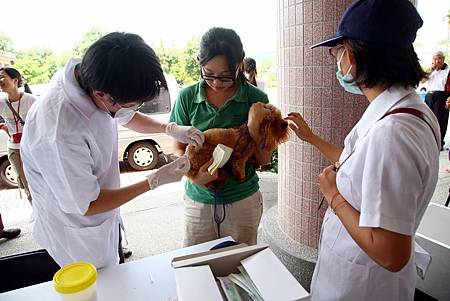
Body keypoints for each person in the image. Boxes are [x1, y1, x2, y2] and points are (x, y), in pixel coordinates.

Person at [286, 1, 439, 300]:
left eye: (337, 51)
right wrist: (312, 138)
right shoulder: (407, 110)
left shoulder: (392, 134)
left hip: (363, 288)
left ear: (352, 57)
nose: (337, 60)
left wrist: (333, 196)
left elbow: (391, 253)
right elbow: (359, 166)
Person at [20, 32, 204, 269]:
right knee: (97, 287)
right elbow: (88, 204)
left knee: (115, 267)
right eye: (131, 103)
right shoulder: (59, 130)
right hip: (78, 234)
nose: (133, 109)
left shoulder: (94, 76)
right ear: (100, 95)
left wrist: (170, 128)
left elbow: (125, 115)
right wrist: (154, 180)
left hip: (104, 217)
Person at [170, 27, 272, 247]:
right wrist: (193, 175)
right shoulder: (187, 97)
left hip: (243, 200)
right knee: (197, 267)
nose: (216, 82)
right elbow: (178, 149)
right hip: (198, 201)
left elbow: (264, 159)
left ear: (239, 64)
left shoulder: (256, 99)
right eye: (208, 74)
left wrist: (255, 130)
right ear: (199, 63)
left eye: (225, 76)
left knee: (241, 267)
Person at [0, 67, 36, 204]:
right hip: (14, 149)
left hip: (32, 148)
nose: (0, 80)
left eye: (2, 77)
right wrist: (3, 127)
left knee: (40, 181)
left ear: (15, 80)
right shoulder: (1, 103)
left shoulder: (32, 100)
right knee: (26, 184)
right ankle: (37, 213)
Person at [423, 51, 450, 150]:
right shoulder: (430, 70)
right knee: (427, 119)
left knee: (440, 121)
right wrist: (431, 70)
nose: (437, 61)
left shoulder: (448, 70)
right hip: (429, 96)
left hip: (442, 96)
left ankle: (439, 143)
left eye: (439, 58)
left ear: (443, 59)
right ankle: (429, 142)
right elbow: (421, 80)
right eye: (434, 59)